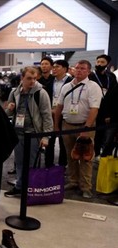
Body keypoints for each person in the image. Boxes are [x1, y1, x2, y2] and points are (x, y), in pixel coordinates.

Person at [54, 59, 102, 200]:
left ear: (88, 71)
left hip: (85, 126)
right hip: (67, 125)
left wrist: (87, 128)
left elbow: (94, 109)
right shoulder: (66, 87)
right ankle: (73, 181)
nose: (79, 71)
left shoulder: (93, 87)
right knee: (71, 156)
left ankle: (86, 187)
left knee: (86, 158)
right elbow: (59, 107)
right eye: (77, 68)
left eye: (82, 68)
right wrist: (56, 126)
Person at [4, 66, 53, 197]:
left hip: (33, 134)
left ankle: (30, 188)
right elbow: (8, 113)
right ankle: (20, 186)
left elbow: (47, 116)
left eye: (34, 78)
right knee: (19, 162)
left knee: (31, 163)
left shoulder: (41, 93)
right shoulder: (15, 92)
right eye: (29, 78)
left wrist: (46, 136)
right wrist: (9, 109)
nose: (32, 81)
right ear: (22, 78)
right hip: (18, 132)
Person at [45, 59, 72, 168]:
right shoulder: (49, 82)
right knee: (49, 141)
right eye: (54, 67)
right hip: (50, 115)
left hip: (65, 116)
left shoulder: (71, 82)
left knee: (64, 143)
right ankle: (48, 165)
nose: (54, 69)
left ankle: (62, 166)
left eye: (57, 67)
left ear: (65, 69)